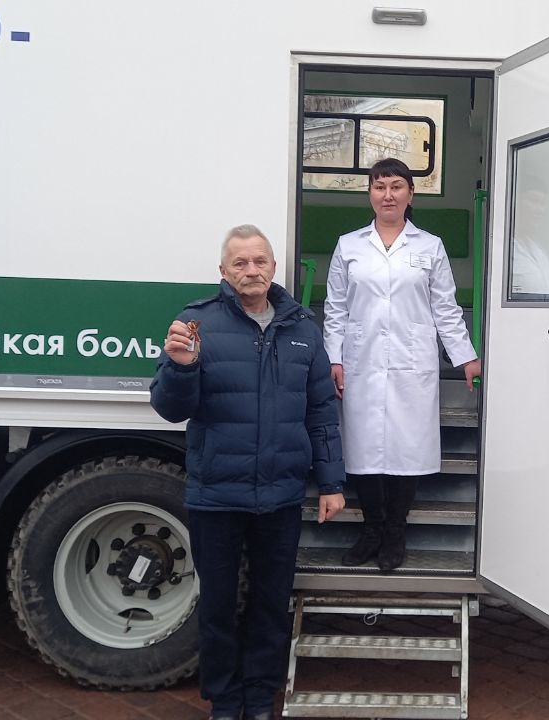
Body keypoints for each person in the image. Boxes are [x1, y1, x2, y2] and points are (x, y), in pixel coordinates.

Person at [150, 224, 346, 720]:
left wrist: (331, 483)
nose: (251, 270)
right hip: (216, 495)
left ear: (274, 267)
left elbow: (322, 410)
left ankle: (259, 698)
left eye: (260, 261)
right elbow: (171, 409)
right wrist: (180, 368)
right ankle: (224, 700)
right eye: (240, 263)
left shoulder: (303, 328)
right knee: (217, 606)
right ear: (224, 270)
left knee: (270, 605)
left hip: (281, 495)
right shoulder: (195, 324)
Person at [322, 158, 482, 573]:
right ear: (370, 195)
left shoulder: (429, 246)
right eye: (379, 187)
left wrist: (465, 356)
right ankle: (372, 530)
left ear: (411, 194)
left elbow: (445, 308)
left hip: (412, 362)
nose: (388, 195)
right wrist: (334, 357)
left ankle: (395, 531)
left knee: (406, 449)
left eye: (396, 186)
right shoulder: (349, 245)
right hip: (361, 360)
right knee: (363, 447)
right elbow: (335, 308)